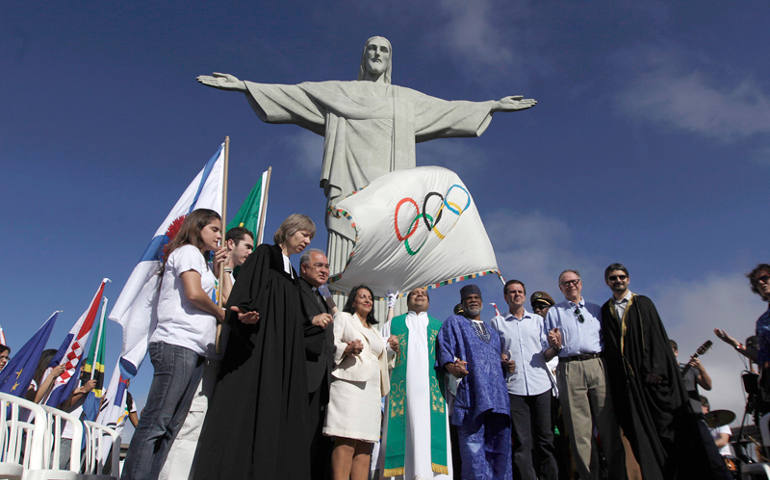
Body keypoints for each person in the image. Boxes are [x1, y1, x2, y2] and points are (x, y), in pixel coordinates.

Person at [196, 36, 537, 283]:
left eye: (384, 50)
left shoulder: (405, 101)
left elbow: (447, 110)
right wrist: (245, 86)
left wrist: (491, 106)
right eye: (371, 49)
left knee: (396, 250)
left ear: (390, 60)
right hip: (348, 188)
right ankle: (343, 318)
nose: (377, 54)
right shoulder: (339, 93)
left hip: (394, 196)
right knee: (346, 244)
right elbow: (294, 94)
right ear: (364, 57)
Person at [193, 214, 313, 480]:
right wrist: (242, 311)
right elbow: (246, 292)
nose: (306, 240)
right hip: (260, 344)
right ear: (289, 230)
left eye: (310, 237)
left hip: (283, 350)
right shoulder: (265, 254)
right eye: (304, 234)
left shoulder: (292, 271)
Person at [121, 208, 228, 480]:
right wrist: (220, 313)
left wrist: (218, 271)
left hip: (195, 349)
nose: (219, 234)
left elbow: (212, 292)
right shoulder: (188, 252)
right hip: (177, 344)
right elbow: (193, 294)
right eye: (214, 229)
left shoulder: (203, 262)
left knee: (171, 427)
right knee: (157, 422)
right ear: (197, 227)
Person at [159, 226, 254, 480]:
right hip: (204, 356)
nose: (250, 253)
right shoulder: (217, 274)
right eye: (247, 246)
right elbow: (227, 302)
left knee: (202, 427)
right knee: (189, 421)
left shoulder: (230, 276)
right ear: (231, 244)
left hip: (220, 361)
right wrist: (221, 271)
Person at [600, 263, 695, 478]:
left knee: (665, 430)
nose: (618, 281)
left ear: (629, 279)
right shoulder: (606, 310)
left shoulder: (643, 304)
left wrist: (656, 370)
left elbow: (657, 340)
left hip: (651, 381)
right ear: (607, 282)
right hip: (627, 385)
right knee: (638, 433)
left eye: (622, 277)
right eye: (613, 278)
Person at [545, 269, 625, 480]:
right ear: (560, 288)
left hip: (596, 364)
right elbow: (548, 348)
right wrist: (554, 345)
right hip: (570, 367)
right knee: (580, 432)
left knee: (608, 424)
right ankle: (590, 476)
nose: (571, 285)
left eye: (574, 281)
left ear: (581, 284)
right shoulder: (554, 312)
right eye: (565, 283)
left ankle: (618, 475)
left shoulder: (595, 309)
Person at [437, 284, 512, 480]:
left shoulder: (493, 332)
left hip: (498, 399)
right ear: (462, 302)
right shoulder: (455, 323)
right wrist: (452, 367)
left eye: (476, 297)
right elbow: (445, 351)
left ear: (481, 301)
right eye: (468, 298)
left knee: (500, 451)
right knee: (473, 453)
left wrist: (505, 366)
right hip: (471, 397)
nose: (473, 300)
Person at [380, 287, 453, 479]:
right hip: (402, 392)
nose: (419, 295)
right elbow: (379, 353)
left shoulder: (439, 327)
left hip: (433, 392)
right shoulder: (393, 324)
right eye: (414, 293)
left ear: (429, 301)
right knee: (404, 433)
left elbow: (448, 358)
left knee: (430, 436)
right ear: (408, 300)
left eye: (423, 294)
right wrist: (389, 348)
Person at [491, 280, 558, 480]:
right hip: (515, 388)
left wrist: (555, 347)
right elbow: (493, 354)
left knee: (546, 439)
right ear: (505, 297)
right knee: (522, 442)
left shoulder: (538, 321)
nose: (516, 295)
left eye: (520, 291)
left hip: (541, 385)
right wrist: (501, 359)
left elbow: (547, 353)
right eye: (512, 292)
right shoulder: (497, 323)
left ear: (524, 295)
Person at [324, 285, 390, 480]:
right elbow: (331, 344)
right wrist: (347, 348)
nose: (367, 300)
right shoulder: (344, 318)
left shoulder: (375, 331)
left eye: (370, 297)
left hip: (371, 392)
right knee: (346, 440)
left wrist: (391, 349)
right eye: (362, 297)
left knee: (365, 446)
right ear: (353, 301)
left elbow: (379, 357)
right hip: (349, 386)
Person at [298, 248, 335, 480]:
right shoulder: (294, 290)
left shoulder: (322, 297)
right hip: (303, 373)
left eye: (326, 266)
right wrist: (311, 322)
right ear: (304, 268)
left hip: (323, 379)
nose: (324, 270)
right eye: (319, 265)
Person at [670, 339, 712, 412]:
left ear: (676, 352)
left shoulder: (690, 369)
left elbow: (708, 386)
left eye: (670, 351)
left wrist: (701, 368)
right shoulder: (661, 372)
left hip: (694, 412)